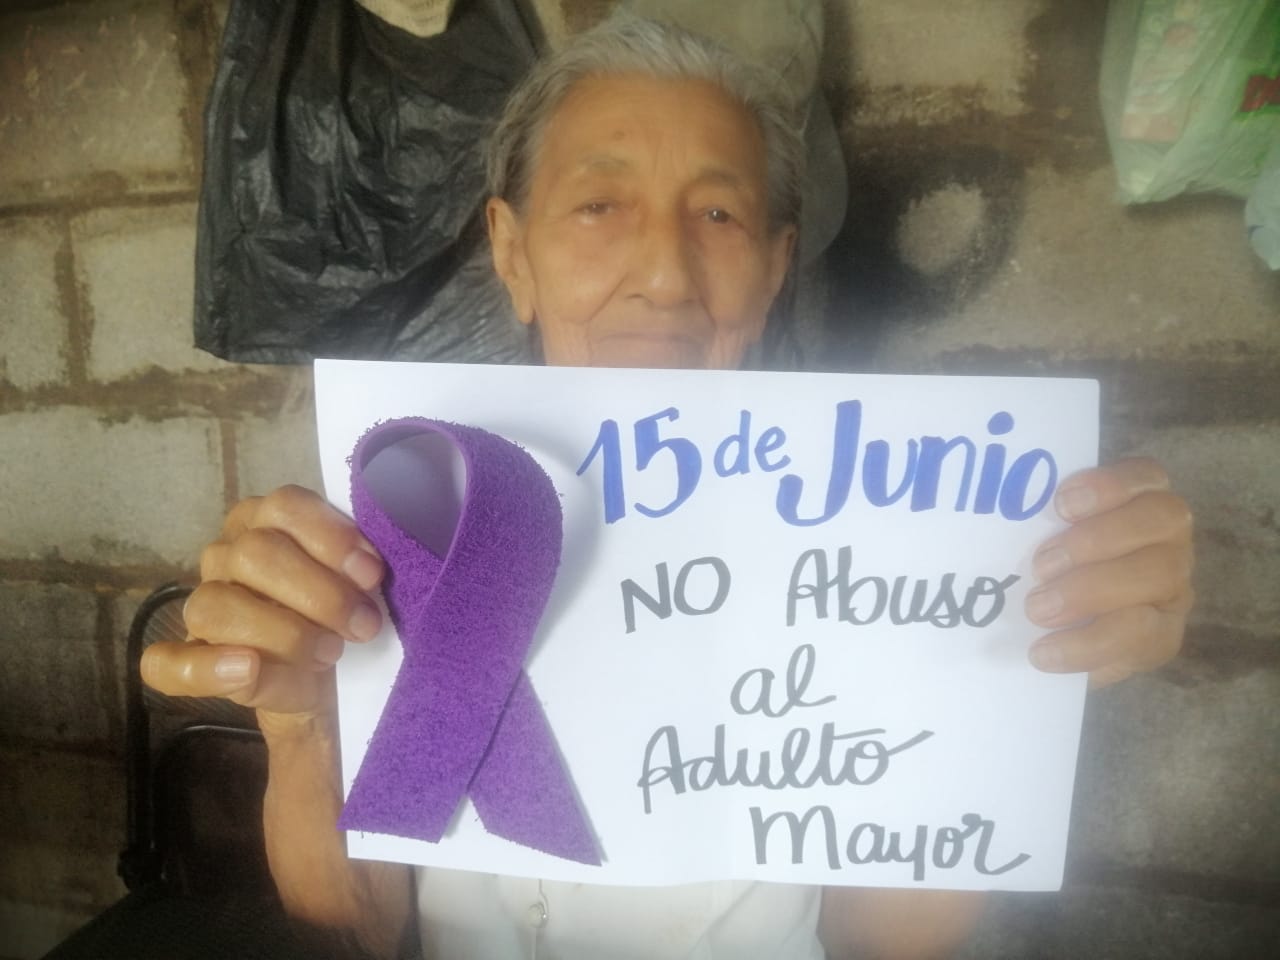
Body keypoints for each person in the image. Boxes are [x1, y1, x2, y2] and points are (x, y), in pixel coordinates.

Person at [141, 14, 1194, 960]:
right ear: (512, 253)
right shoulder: (415, 518)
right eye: (598, 205)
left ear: (775, 266)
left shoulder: (897, 542)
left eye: (720, 215)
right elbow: (359, 934)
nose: (663, 274)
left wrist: (1013, 684)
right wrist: (304, 727)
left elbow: (878, 946)